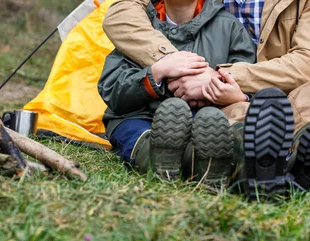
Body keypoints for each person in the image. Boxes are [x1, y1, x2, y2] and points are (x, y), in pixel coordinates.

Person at [103, 0, 310, 198]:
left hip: (263, 86)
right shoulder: (182, 14)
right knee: (234, 117)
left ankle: (300, 165)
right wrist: (178, 65)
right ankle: (266, 170)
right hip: (217, 99)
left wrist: (225, 78)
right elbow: (121, 14)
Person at [98, 0, 256, 183]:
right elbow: (112, 89)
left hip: (207, 117)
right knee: (136, 134)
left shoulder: (228, 26)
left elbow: (243, 77)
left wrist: (208, 89)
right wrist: (156, 73)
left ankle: (212, 162)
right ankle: (159, 161)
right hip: (139, 114)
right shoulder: (138, 25)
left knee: (216, 128)